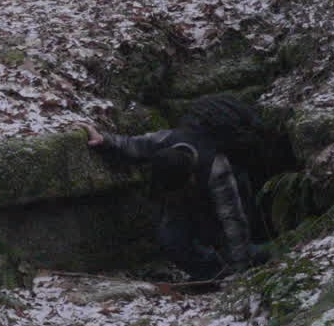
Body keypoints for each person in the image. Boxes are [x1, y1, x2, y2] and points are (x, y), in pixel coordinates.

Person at [78, 97, 266, 280]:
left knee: (229, 242)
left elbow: (233, 220)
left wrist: (240, 272)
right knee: (171, 239)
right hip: (191, 199)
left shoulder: (217, 167)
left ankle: (263, 254)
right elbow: (132, 144)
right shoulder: (166, 140)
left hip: (227, 197)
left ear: (190, 177)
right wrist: (103, 140)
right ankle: (212, 275)